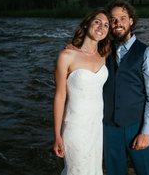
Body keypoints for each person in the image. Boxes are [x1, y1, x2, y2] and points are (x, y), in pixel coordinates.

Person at [103, 0, 149, 175]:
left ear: (131, 21)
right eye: (113, 19)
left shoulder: (146, 52)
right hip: (109, 129)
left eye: (122, 18)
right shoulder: (103, 52)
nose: (117, 23)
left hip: (137, 127)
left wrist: (146, 131)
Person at [53, 9, 112, 175]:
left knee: (93, 170)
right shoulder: (67, 55)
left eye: (106, 25)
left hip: (96, 127)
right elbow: (59, 96)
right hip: (75, 127)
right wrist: (57, 135)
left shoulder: (104, 56)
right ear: (87, 24)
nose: (101, 27)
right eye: (97, 22)